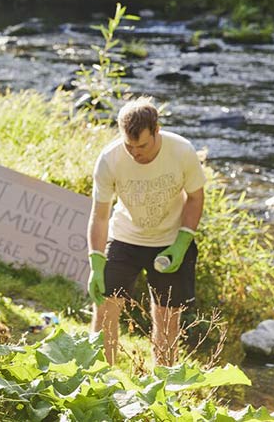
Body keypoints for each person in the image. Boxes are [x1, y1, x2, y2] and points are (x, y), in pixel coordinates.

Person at [86, 96, 206, 366]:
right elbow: (100, 213)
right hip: (125, 237)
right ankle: (100, 381)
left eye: (142, 145)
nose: (136, 153)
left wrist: (183, 241)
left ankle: (161, 390)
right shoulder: (110, 159)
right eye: (129, 145)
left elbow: (196, 197)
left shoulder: (182, 151)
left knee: (166, 319)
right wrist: (95, 260)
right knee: (104, 310)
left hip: (169, 242)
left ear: (156, 130)